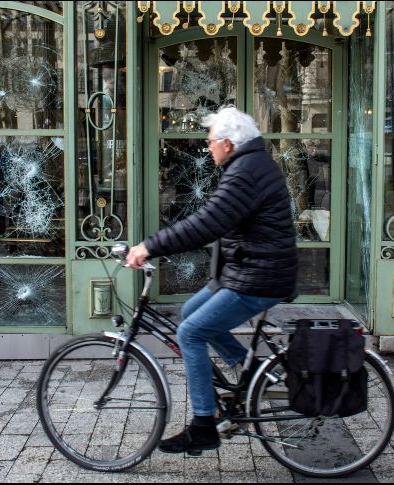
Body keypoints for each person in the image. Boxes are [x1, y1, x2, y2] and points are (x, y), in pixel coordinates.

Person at [126, 106, 298, 454]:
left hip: (259, 277)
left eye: (210, 142)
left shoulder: (246, 173)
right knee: (190, 313)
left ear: (228, 144)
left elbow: (207, 223)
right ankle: (251, 373)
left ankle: (203, 425)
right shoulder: (249, 165)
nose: (207, 148)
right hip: (248, 270)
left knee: (190, 333)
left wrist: (149, 246)